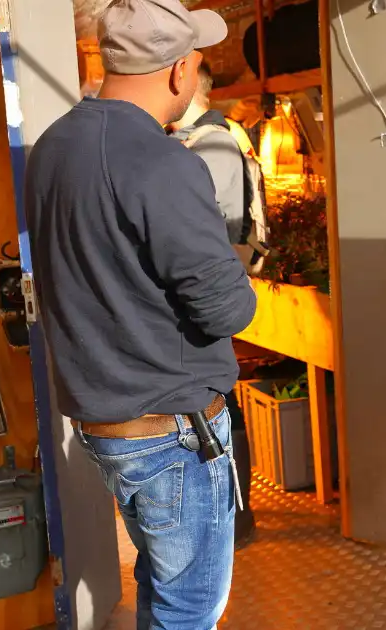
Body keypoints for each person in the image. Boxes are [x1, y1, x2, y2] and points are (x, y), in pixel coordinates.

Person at [24, 1, 255, 627]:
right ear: (179, 71)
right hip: (172, 427)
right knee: (191, 607)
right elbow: (228, 308)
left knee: (159, 582)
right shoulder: (164, 161)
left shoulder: (51, 147)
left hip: (106, 420)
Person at [168, 61, 258, 549]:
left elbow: (206, 224)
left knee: (226, 399)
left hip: (212, 288)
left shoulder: (214, 143)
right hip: (208, 288)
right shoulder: (195, 142)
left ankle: (237, 521)